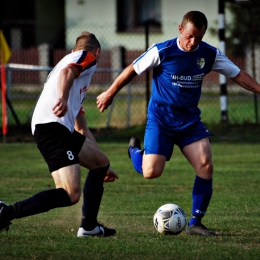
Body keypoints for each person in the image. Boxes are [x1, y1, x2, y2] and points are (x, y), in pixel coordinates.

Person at [96, 11, 260, 236]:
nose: (194, 42)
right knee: (151, 172)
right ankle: (134, 151)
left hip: (189, 121)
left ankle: (195, 223)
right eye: (190, 36)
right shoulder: (162, 50)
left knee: (206, 165)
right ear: (181, 29)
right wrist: (109, 93)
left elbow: (238, 74)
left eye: (199, 38)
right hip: (161, 120)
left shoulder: (209, 54)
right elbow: (131, 70)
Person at [0, 31, 118, 237]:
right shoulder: (85, 58)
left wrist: (98, 162)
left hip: (58, 128)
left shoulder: (74, 82)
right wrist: (62, 98)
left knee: (100, 163)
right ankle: (5, 212)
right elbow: (68, 73)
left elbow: (81, 127)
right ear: (96, 52)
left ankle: (89, 227)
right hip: (51, 127)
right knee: (70, 194)